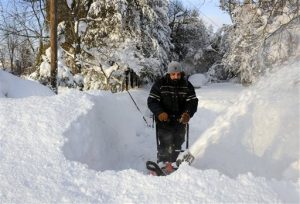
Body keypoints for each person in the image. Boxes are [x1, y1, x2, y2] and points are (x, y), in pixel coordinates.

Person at [147, 61, 198, 169]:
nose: (176, 76)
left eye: (178, 74)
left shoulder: (187, 85)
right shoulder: (160, 84)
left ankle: (175, 164)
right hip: (164, 121)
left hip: (180, 121)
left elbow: (192, 102)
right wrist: (160, 112)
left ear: (181, 74)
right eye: (173, 74)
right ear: (169, 73)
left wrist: (187, 114)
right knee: (165, 142)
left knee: (178, 142)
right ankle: (163, 164)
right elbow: (152, 100)